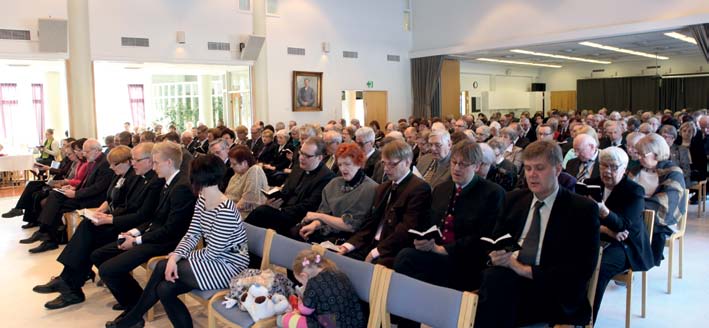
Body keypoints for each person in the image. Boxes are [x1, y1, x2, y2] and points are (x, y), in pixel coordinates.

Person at [106, 154, 249, 328]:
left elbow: (214, 252)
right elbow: (192, 233)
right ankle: (135, 318)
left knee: (162, 267)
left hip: (229, 266)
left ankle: (133, 318)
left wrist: (176, 258)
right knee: (164, 289)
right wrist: (175, 256)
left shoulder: (225, 209)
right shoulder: (203, 199)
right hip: (211, 260)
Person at [474, 140, 600, 327]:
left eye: (539, 168)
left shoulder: (581, 209)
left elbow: (580, 269)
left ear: (558, 170)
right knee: (494, 283)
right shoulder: (514, 199)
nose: (532, 175)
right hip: (509, 279)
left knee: (492, 294)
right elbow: (497, 239)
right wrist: (496, 255)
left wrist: (522, 269)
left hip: (552, 289)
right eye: (528, 168)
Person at [32, 143, 163, 309]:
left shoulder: (150, 180)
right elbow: (123, 204)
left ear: (150, 161)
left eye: (136, 160)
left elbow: (141, 214)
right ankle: (68, 282)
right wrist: (107, 215)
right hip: (125, 222)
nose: (133, 163)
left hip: (133, 228)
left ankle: (69, 283)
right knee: (88, 229)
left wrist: (109, 218)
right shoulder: (141, 177)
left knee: (89, 234)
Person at [90, 141, 196, 312]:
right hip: (154, 235)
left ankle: (135, 307)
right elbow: (154, 217)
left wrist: (136, 241)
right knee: (99, 255)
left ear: (169, 163)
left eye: (156, 163)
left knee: (108, 270)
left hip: (166, 243)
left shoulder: (181, 187)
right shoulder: (168, 182)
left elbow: (171, 230)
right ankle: (136, 299)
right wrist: (133, 232)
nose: (153, 168)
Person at [394, 140, 505, 298]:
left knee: (416, 268)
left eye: (463, 164)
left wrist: (445, 250)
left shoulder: (493, 193)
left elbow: (484, 235)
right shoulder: (441, 189)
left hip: (465, 259)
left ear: (477, 166)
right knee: (405, 257)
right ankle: (409, 316)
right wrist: (423, 240)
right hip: (436, 252)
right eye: (454, 162)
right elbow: (429, 222)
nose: (456, 168)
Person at [584, 147, 654, 322]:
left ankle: (586, 320)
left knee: (598, 269)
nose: (607, 171)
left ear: (624, 169)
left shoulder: (634, 191)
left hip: (625, 245)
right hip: (596, 237)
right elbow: (579, 218)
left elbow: (623, 225)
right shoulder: (590, 184)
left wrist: (603, 211)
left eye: (613, 167)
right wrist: (605, 229)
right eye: (603, 166)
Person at [338, 140, 431, 268]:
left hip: (392, 250)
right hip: (372, 244)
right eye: (384, 163)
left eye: (392, 164)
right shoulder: (383, 187)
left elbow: (406, 229)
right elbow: (370, 223)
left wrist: (377, 251)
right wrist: (348, 245)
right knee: (340, 260)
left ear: (408, 162)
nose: (386, 169)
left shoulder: (419, 188)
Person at [23, 139, 115, 253]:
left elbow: (98, 188)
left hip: (94, 200)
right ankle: (48, 236)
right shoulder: (94, 161)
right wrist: (74, 189)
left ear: (96, 150)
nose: (83, 154)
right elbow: (85, 182)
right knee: (55, 197)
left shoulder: (104, 163)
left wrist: (76, 193)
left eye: (86, 151)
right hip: (85, 194)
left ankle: (47, 235)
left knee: (55, 203)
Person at [246, 137, 336, 236]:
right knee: (262, 211)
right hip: (285, 210)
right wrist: (274, 200)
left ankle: (240, 237)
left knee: (261, 212)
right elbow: (286, 191)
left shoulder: (327, 177)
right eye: (301, 153)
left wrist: (280, 210)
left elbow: (310, 205)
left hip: (299, 217)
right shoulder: (298, 167)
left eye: (307, 156)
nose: (301, 157)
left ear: (319, 158)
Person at [297, 143, 378, 244]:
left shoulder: (370, 188)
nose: (343, 169)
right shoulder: (334, 183)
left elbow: (352, 226)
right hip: (327, 233)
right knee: (298, 233)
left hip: (350, 240)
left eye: (347, 164)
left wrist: (319, 217)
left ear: (358, 163)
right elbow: (323, 212)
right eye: (340, 164)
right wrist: (315, 224)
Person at [627, 133, 686, 266]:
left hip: (660, 220)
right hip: (635, 214)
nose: (639, 158)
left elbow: (667, 202)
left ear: (657, 153)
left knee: (628, 227)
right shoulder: (636, 170)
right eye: (638, 154)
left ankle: (633, 262)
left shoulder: (673, 172)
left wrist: (634, 207)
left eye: (643, 154)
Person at [280, 250, 365, 328]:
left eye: (302, 282)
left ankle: (282, 320)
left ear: (304, 275)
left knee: (288, 319)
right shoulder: (339, 273)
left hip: (332, 324)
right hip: (355, 322)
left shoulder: (312, 283)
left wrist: (300, 303)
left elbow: (305, 310)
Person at [225, 145, 268, 218]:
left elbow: (248, 201)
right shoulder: (236, 174)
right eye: (230, 163)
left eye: (234, 164)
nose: (231, 166)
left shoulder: (255, 170)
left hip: (243, 215)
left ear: (244, 163)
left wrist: (226, 212)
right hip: (231, 210)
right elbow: (226, 195)